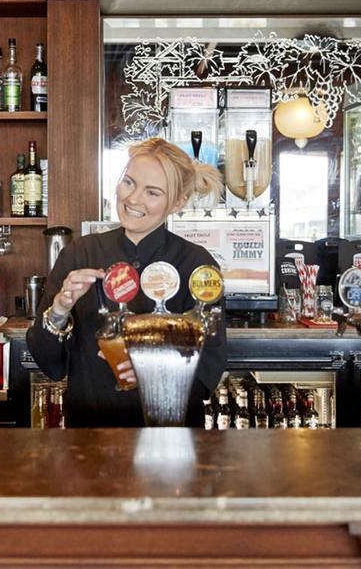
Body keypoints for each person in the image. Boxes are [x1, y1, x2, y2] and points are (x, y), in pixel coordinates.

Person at [26, 137, 227, 427]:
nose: (133, 199)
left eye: (152, 192)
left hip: (170, 440)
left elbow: (210, 363)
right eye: (129, 182)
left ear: (178, 203)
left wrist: (155, 370)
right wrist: (58, 310)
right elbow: (50, 363)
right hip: (90, 432)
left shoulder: (195, 264)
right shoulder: (81, 253)